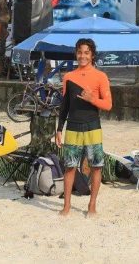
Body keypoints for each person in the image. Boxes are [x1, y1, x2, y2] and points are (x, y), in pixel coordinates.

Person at [56, 38, 112, 216]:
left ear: (92, 55)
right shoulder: (68, 77)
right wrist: (59, 129)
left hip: (93, 126)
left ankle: (92, 205)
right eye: (80, 52)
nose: (82, 56)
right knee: (70, 167)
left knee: (96, 166)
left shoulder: (100, 77)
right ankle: (66, 206)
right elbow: (64, 106)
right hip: (72, 127)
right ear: (76, 53)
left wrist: (92, 100)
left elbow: (108, 105)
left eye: (86, 52)